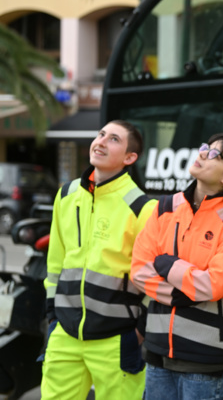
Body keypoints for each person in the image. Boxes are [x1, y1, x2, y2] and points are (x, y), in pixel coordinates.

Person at [131, 133, 223, 400]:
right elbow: (140, 271)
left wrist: (168, 264)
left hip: (205, 358)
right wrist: (182, 291)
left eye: (215, 155)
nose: (203, 154)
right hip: (157, 351)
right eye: (205, 148)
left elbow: (212, 285)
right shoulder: (165, 207)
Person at [41, 120, 157, 400]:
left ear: (130, 158)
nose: (102, 141)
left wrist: (138, 332)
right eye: (101, 134)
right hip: (64, 334)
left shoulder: (143, 208)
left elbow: (153, 280)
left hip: (116, 339)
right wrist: (52, 316)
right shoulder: (66, 195)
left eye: (114, 139)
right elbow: (55, 263)